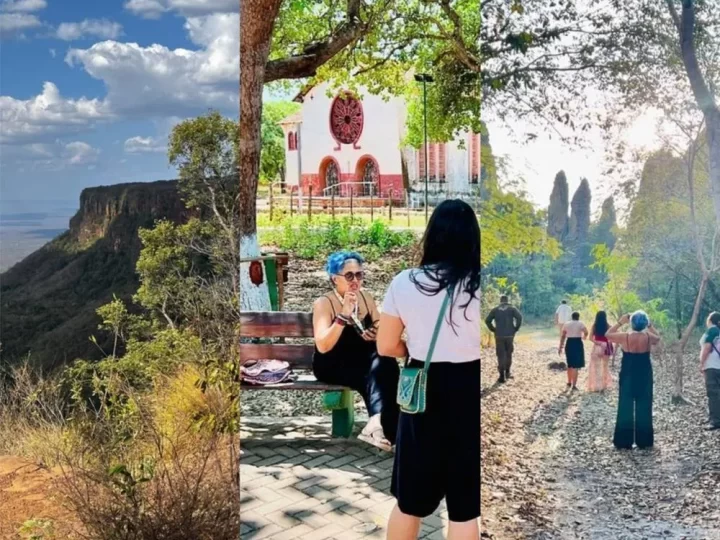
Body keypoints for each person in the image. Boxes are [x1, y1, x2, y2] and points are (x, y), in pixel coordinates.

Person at [377, 199, 480, 540]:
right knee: (464, 506)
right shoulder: (479, 283)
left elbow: (386, 346)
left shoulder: (405, 282)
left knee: (410, 499)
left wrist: (413, 349)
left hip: (423, 386)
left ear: (432, 234)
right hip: (469, 385)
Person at [312, 251, 400, 451]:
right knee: (376, 372)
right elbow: (323, 346)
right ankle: (388, 432)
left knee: (387, 364)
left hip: (362, 360)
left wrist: (376, 332)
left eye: (359, 275)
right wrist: (343, 316)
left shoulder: (365, 297)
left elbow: (380, 322)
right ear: (335, 278)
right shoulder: (324, 303)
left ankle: (378, 426)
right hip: (331, 363)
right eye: (349, 275)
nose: (355, 280)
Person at [606, 311, 661, 449]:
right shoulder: (649, 337)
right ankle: (645, 441)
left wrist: (620, 322)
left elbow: (607, 334)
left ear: (631, 323)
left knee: (625, 405)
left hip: (628, 374)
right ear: (644, 323)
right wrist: (650, 325)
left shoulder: (624, 337)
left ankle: (624, 441)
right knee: (644, 405)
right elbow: (658, 338)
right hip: (644, 374)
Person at [485, 295, 523, 383]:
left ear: (500, 301)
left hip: (499, 335)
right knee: (508, 353)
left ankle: (502, 376)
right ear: (507, 301)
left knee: (500, 355)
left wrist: (493, 329)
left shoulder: (495, 310)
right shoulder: (512, 309)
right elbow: (519, 317)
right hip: (510, 335)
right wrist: (516, 328)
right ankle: (508, 372)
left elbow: (487, 320)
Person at [699, 312, 720, 431]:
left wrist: (701, 363)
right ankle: (714, 416)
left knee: (713, 393)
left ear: (710, 320)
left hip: (712, 365)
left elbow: (707, 348)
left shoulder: (711, 331)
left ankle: (715, 420)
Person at [558, 312, 588, 390]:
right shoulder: (580, 323)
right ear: (578, 317)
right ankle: (574, 385)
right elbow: (586, 331)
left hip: (569, 343)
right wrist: (584, 337)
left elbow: (563, 336)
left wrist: (560, 346)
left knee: (570, 364)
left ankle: (569, 382)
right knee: (575, 366)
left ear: (572, 317)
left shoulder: (566, 324)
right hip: (578, 343)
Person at [587, 311, 614, 393]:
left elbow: (590, 338)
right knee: (605, 367)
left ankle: (596, 386)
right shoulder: (609, 326)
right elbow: (612, 337)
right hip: (607, 348)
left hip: (597, 347)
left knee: (596, 367)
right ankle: (604, 385)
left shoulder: (594, 326)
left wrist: (598, 342)